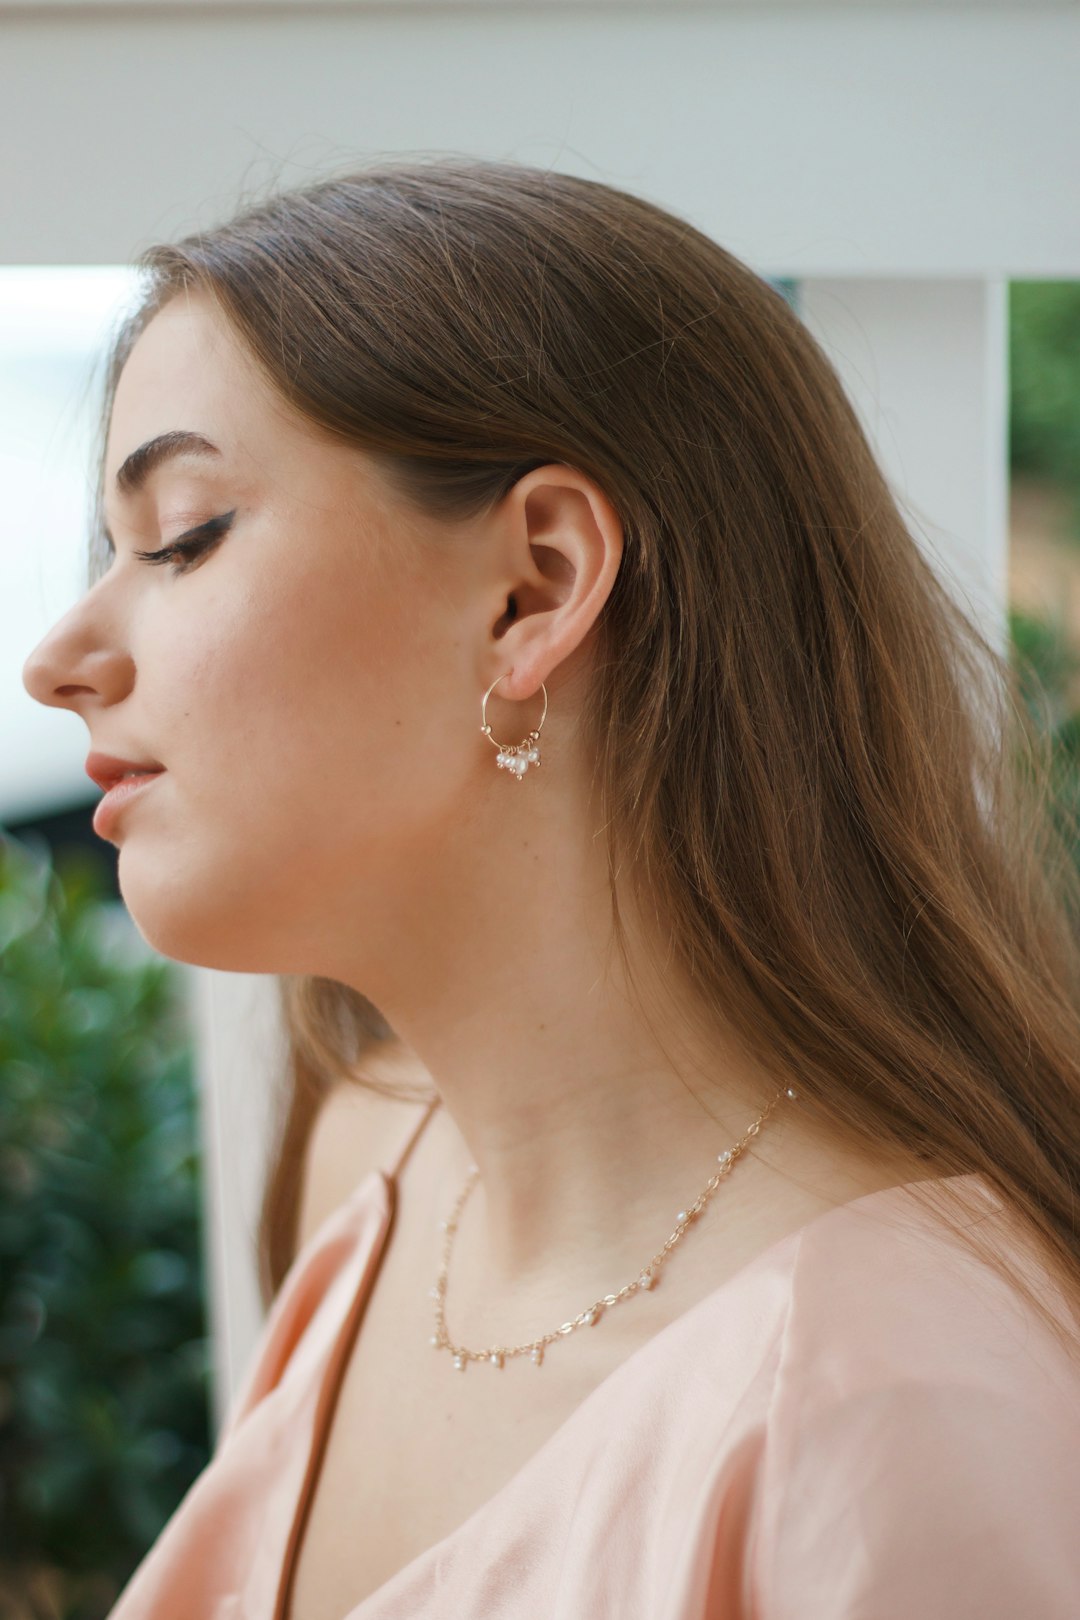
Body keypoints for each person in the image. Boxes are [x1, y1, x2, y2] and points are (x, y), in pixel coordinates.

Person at [21, 156, 1080, 1618]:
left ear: (535, 584)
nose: (60, 656)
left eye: (185, 536)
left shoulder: (892, 1412)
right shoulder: (377, 1169)